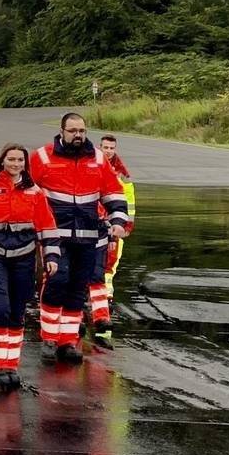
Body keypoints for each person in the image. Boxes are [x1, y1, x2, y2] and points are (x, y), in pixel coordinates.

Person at [29, 113, 128, 363]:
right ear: (62, 131)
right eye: (73, 131)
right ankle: (50, 339)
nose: (78, 135)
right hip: (55, 236)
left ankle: (68, 341)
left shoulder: (96, 158)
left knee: (76, 288)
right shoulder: (43, 157)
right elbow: (26, 190)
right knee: (57, 282)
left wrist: (118, 219)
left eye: (82, 131)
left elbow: (113, 191)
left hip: (87, 237)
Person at [0, 144, 60, 388]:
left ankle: (11, 365)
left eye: (20, 160)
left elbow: (47, 226)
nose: (16, 164)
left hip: (24, 258)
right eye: (11, 159)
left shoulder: (35, 192)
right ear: (2, 161)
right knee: (0, 308)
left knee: (17, 312)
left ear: (25, 164)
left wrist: (51, 257)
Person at [87, 135, 137, 345]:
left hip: (114, 228)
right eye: (105, 147)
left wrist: (125, 227)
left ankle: (104, 305)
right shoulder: (91, 165)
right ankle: (91, 305)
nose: (108, 151)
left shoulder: (122, 175)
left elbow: (129, 203)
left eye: (111, 148)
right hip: (91, 226)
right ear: (99, 147)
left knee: (108, 268)